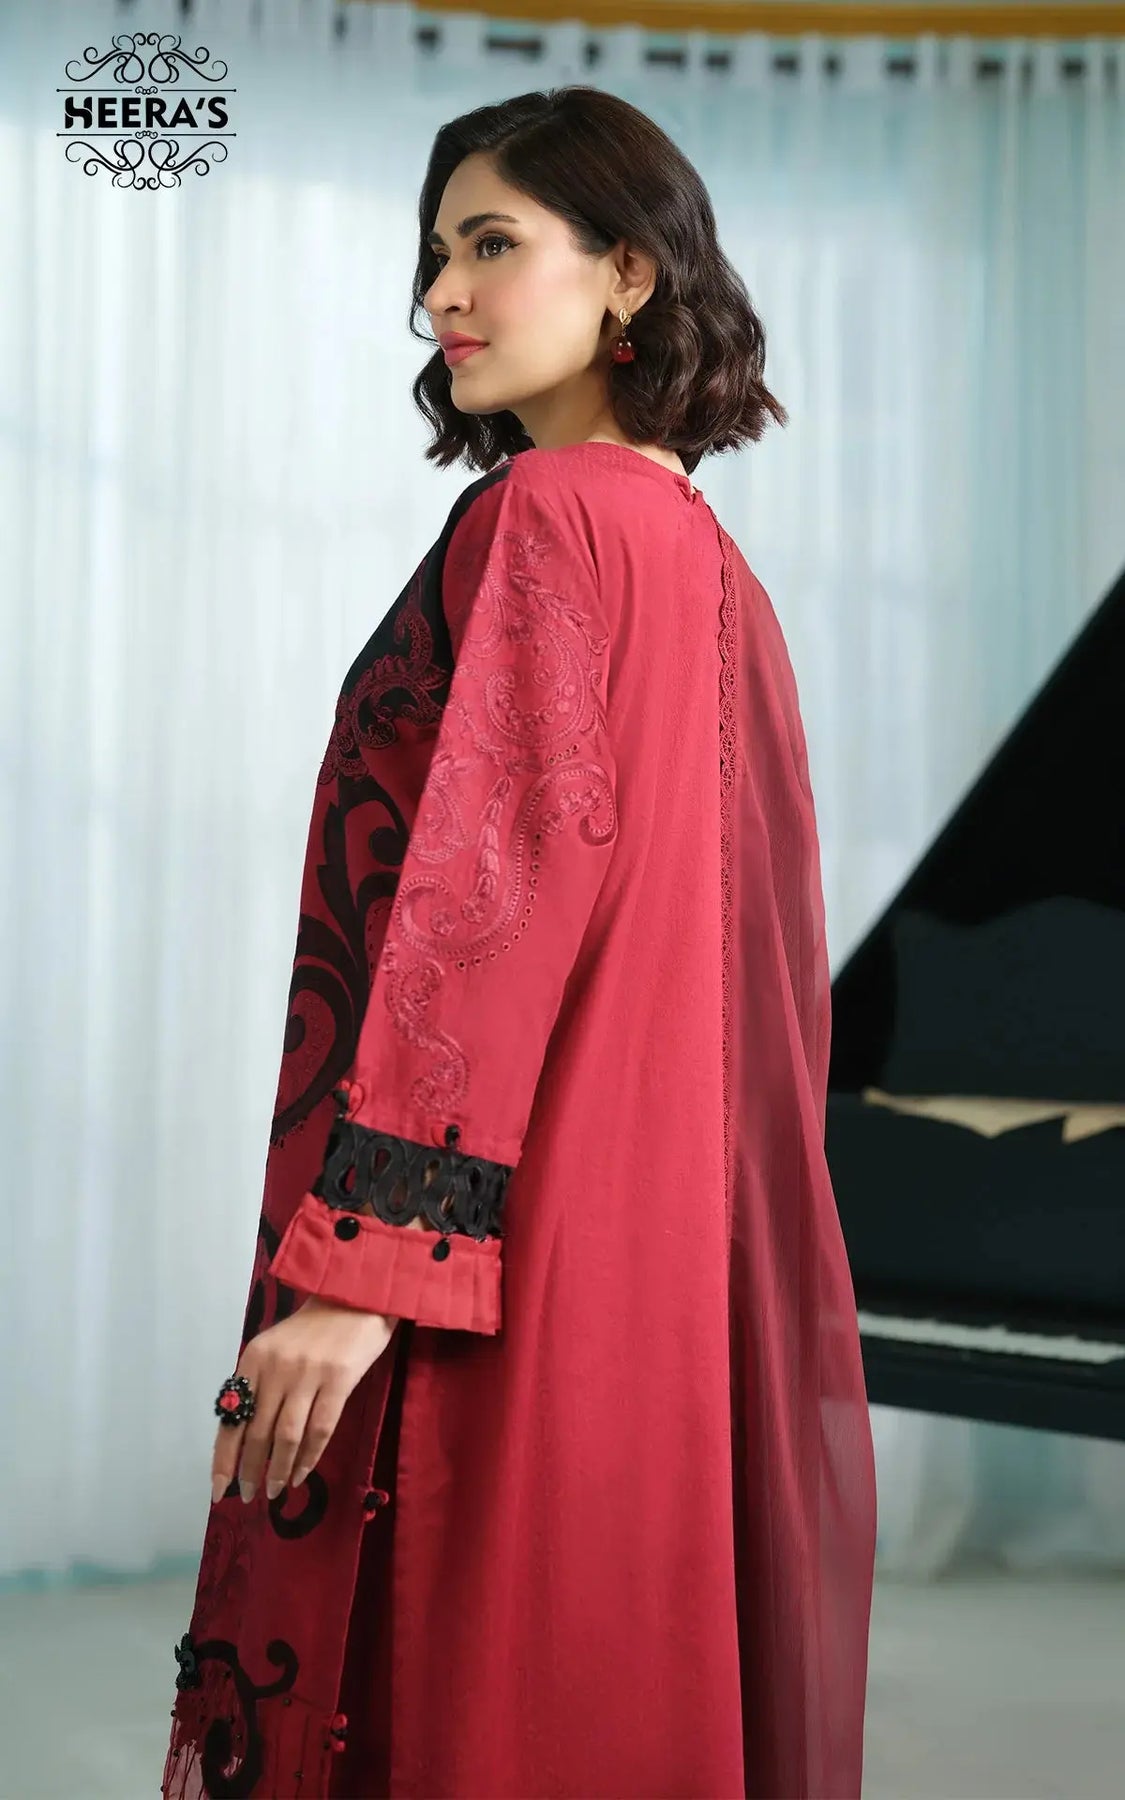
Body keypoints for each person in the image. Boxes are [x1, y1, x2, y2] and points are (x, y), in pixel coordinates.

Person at [162, 84, 877, 1800]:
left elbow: (487, 918)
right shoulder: (706, 565)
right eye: (433, 254)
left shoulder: (551, 517)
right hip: (652, 1258)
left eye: (491, 245)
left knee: (461, 1690)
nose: (441, 295)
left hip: (504, 1253)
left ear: (630, 272)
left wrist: (363, 1275)